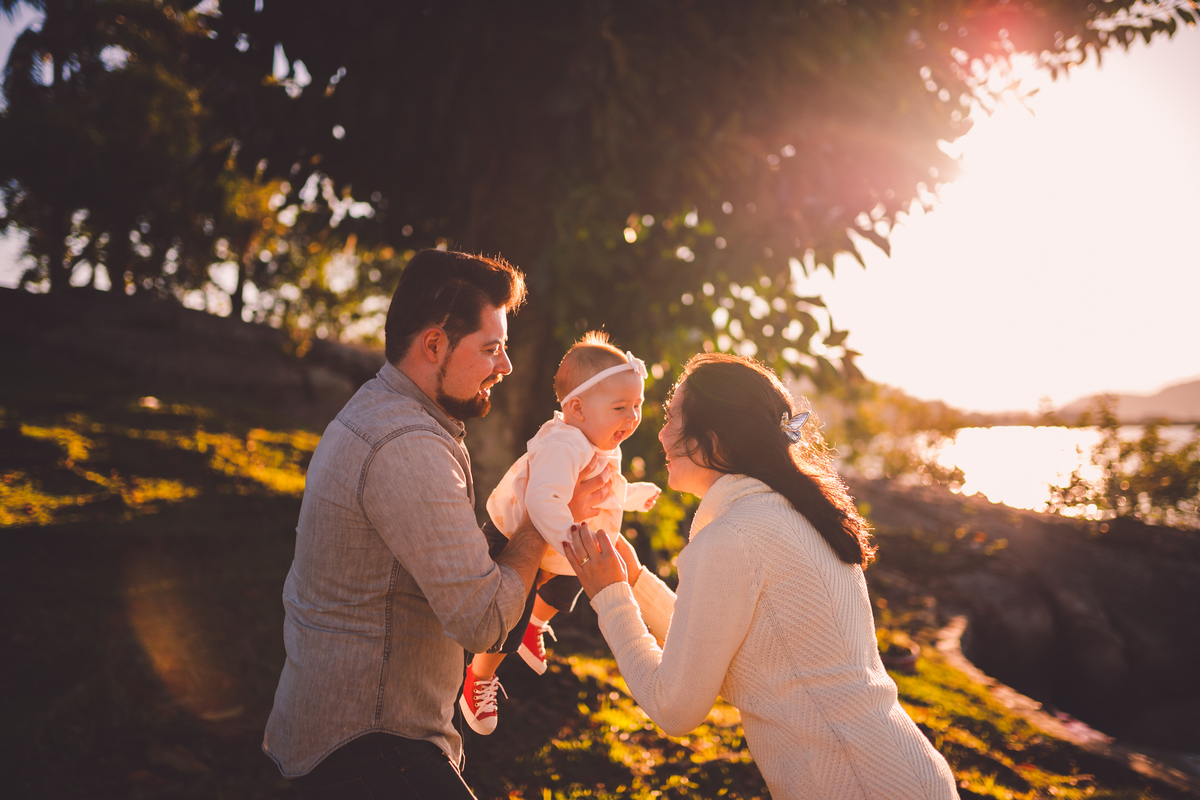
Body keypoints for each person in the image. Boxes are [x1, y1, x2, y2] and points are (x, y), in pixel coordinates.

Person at [262, 249, 610, 800]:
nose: (506, 365)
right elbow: (484, 622)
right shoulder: (406, 446)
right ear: (433, 345)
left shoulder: (384, 413)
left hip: (351, 742)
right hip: (370, 748)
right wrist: (549, 512)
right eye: (490, 348)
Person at [565, 353, 960, 800]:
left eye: (673, 417)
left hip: (861, 784)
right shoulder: (795, 512)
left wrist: (611, 597)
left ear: (714, 438)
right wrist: (635, 580)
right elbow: (716, 643)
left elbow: (674, 708)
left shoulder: (732, 536)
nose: (660, 433)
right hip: (903, 774)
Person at [461, 331, 661, 735]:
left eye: (636, 407)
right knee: (508, 614)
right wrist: (569, 537)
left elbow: (608, 485)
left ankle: (536, 623)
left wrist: (633, 496)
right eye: (620, 407)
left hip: (565, 538)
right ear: (577, 408)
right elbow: (541, 499)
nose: (631, 418)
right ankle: (478, 677)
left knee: (568, 589)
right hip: (517, 533)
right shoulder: (563, 445)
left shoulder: (603, 441)